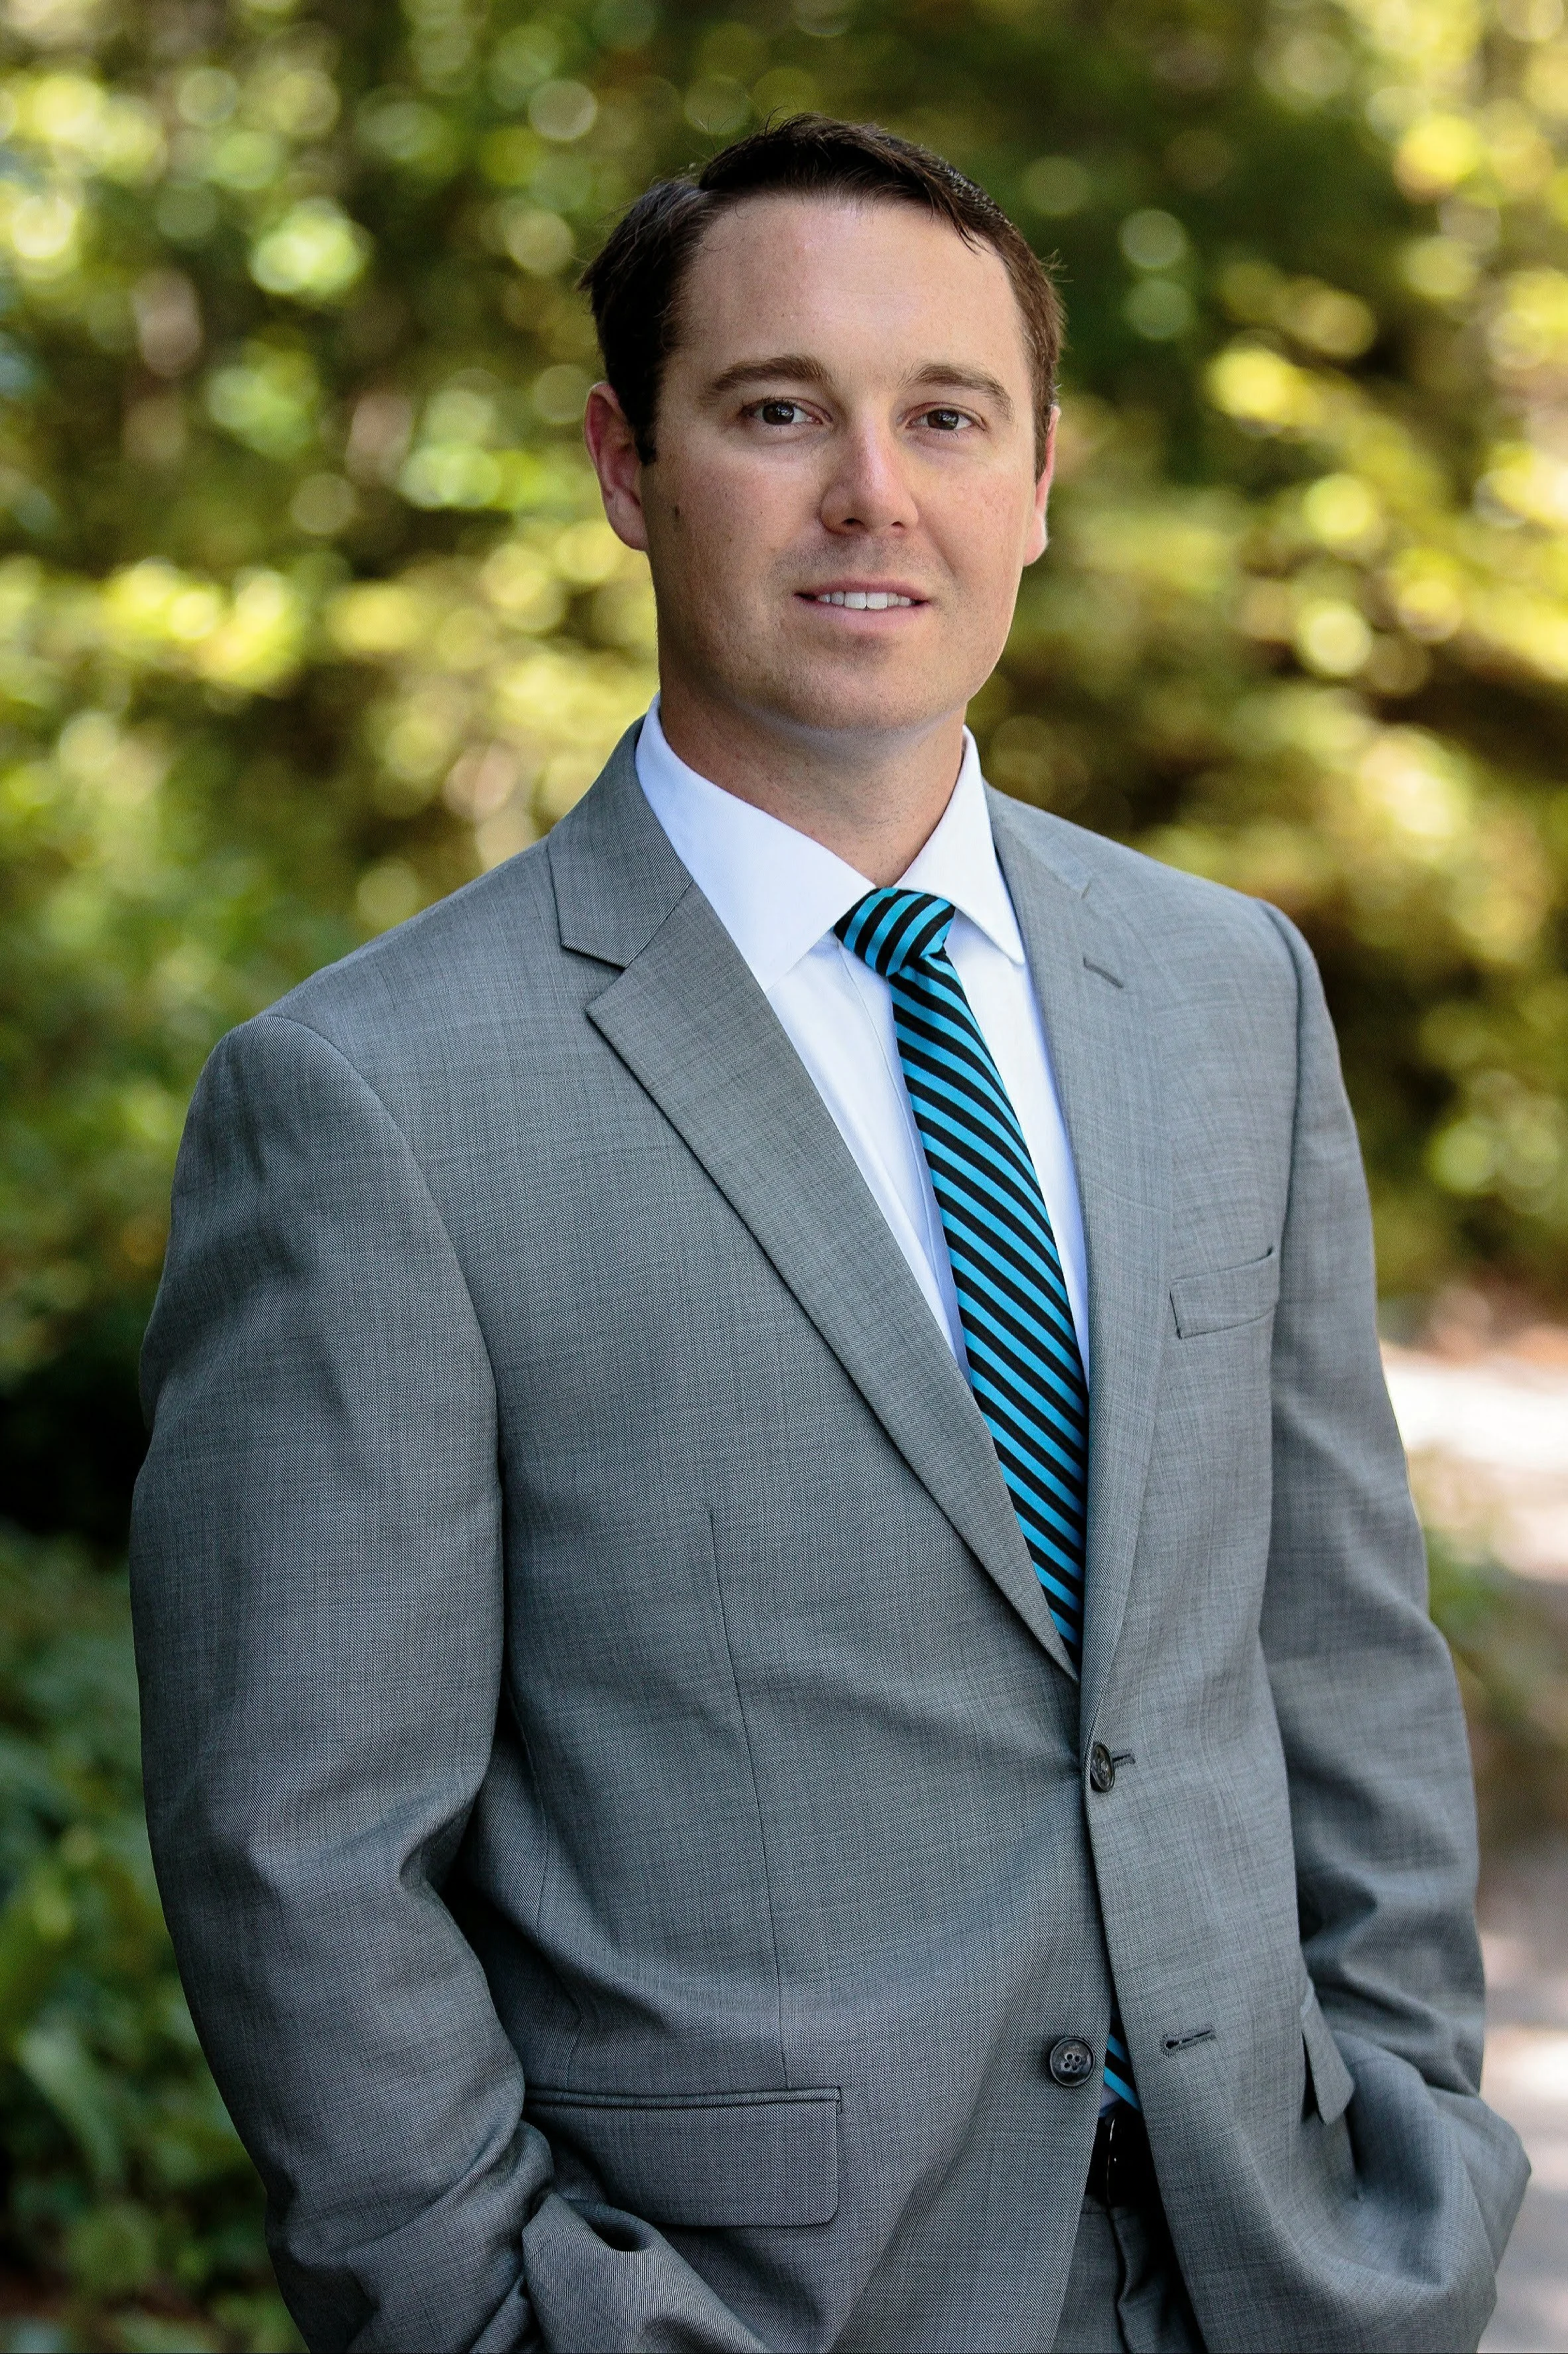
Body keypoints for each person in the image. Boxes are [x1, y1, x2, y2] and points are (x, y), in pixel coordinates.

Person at [129, 115, 1527, 2354]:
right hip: (743, 2302)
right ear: (625, 465)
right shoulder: (373, 1098)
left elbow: (1328, 1632)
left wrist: (1417, 2140)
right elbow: (297, 1842)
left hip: (1273, 2275)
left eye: (945, 416)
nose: (873, 491)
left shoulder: (1220, 989)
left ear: (1038, 481)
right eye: (778, 411)